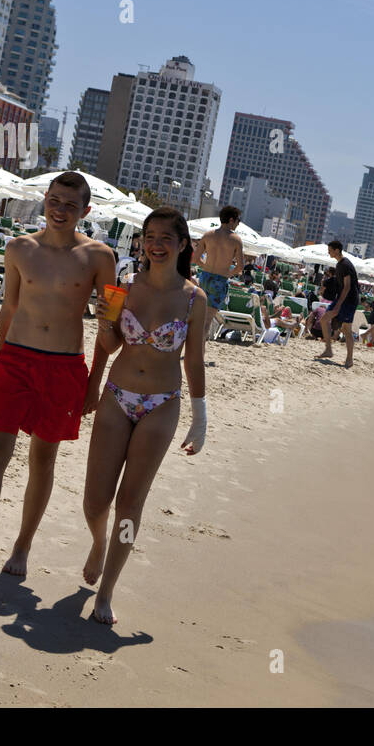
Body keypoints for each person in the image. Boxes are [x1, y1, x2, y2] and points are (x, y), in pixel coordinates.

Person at [0, 172, 115, 581]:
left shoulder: (99, 257)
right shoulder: (19, 247)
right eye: (54, 201)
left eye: (70, 205)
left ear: (85, 211)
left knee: (43, 459)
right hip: (14, 361)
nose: (60, 210)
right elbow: (8, 307)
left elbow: (108, 328)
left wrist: (95, 382)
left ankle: (21, 548)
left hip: (64, 368)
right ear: (45, 200)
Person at [81, 207, 207, 625]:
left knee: (130, 504)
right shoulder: (125, 287)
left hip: (162, 404)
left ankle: (107, 592)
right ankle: (99, 543)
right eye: (149, 236)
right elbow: (111, 344)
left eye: (166, 238)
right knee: (95, 500)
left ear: (183, 244)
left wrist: (199, 418)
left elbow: (195, 362)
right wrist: (102, 328)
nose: (155, 244)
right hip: (117, 396)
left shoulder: (194, 298)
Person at [190, 205, 244, 345]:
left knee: (199, 318)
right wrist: (227, 273)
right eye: (238, 220)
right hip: (220, 280)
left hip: (205, 277)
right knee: (207, 321)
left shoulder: (208, 235)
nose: (239, 223)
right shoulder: (235, 240)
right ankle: (199, 353)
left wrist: (206, 266)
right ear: (231, 220)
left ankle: (191, 348)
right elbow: (240, 267)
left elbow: (195, 259)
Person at [318, 240, 360, 367]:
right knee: (324, 320)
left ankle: (349, 360)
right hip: (343, 299)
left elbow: (347, 287)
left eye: (330, 250)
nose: (328, 252)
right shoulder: (339, 264)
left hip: (349, 300)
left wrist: (338, 305)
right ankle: (328, 350)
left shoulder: (345, 265)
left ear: (337, 250)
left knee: (347, 330)